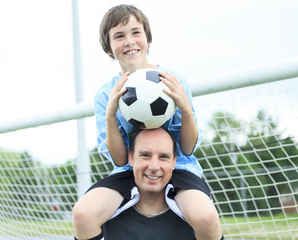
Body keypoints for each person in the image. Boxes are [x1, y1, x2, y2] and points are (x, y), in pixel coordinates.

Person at [73, 4, 222, 240]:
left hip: (179, 168)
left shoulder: (174, 80)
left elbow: (188, 147)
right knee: (83, 213)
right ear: (109, 48)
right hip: (128, 170)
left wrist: (184, 108)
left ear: (147, 38)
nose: (129, 41)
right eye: (119, 36)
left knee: (206, 217)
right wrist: (111, 115)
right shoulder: (105, 94)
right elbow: (120, 159)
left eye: (135, 32)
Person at [101, 127, 197, 239]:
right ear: (131, 157)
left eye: (163, 157)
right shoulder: (104, 213)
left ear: (174, 161)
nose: (154, 167)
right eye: (145, 155)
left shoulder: (195, 214)